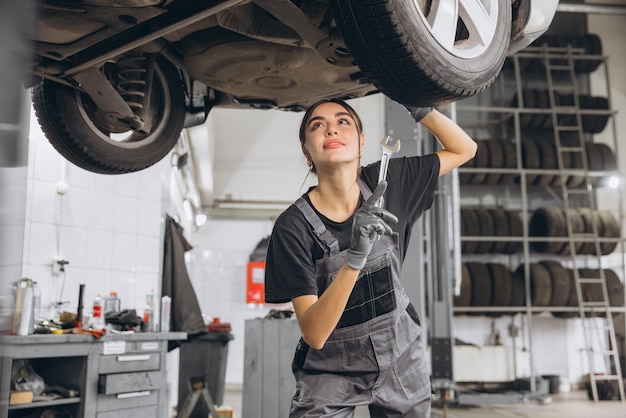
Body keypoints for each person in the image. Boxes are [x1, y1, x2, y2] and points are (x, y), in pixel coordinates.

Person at [264, 98, 477, 417]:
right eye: (317, 125)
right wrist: (354, 258)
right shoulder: (292, 227)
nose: (331, 128)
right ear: (307, 150)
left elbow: (464, 149)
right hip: (330, 370)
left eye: (343, 121)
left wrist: (420, 108)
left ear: (362, 142)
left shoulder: (390, 183)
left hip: (399, 358)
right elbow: (315, 333)